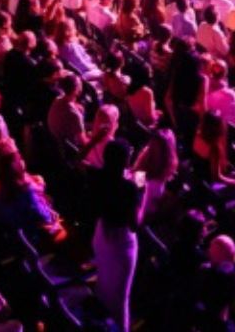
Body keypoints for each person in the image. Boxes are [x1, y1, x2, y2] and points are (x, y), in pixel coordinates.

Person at [92, 139, 145, 331]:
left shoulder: (97, 176)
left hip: (100, 233)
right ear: (124, 161)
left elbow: (77, 161)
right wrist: (141, 194)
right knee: (122, 296)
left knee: (104, 283)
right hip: (121, 242)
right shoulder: (129, 188)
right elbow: (134, 224)